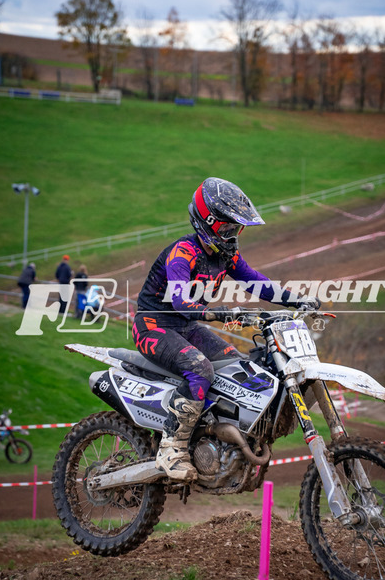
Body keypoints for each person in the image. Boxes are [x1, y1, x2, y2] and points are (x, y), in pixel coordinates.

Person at [133, 177, 320, 482]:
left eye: (237, 228)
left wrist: (298, 300)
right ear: (208, 223)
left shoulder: (225, 255)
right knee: (200, 369)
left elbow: (256, 282)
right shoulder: (183, 253)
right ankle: (171, 448)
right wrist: (218, 312)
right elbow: (180, 300)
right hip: (153, 326)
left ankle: (214, 437)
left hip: (186, 327)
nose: (233, 235)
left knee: (237, 365)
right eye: (227, 228)